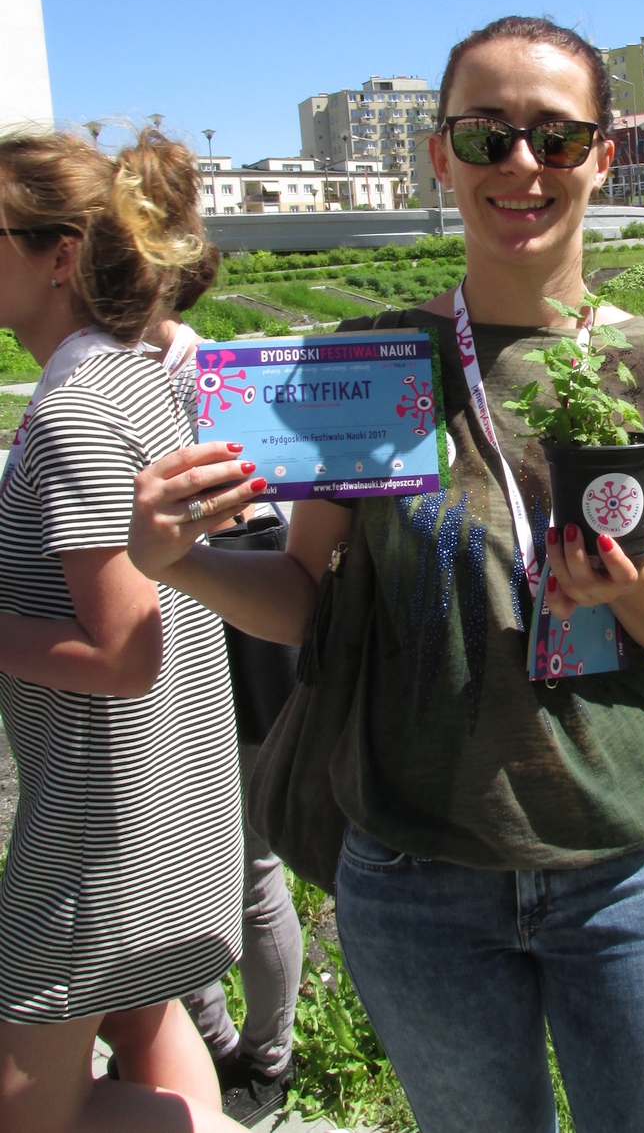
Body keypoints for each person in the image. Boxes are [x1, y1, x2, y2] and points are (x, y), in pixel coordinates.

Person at [128, 17, 644, 1133]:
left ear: (601, 157)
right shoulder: (366, 365)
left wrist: (635, 591)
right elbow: (303, 599)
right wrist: (180, 559)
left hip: (623, 866)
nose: (522, 164)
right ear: (439, 156)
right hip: (415, 882)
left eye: (558, 137)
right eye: (485, 135)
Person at [0, 128, 246, 1133]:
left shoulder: (76, 410)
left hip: (97, 828)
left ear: (59, 256)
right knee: (147, 1021)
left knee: (30, 1117)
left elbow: (122, 653)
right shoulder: (139, 374)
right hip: (172, 798)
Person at [146, 260, 302, 1126]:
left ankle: (267, 1055)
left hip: (236, 655)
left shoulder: (218, 380)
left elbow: (261, 513)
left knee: (248, 867)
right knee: (172, 871)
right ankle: (213, 1042)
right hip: (170, 660)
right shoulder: (101, 376)